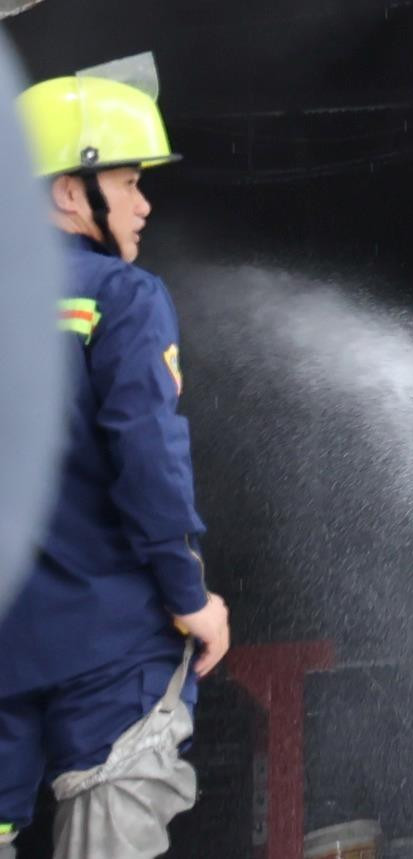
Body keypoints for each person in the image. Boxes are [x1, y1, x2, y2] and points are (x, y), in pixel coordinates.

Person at [0, 63, 224, 859]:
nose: (144, 202)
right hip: (108, 648)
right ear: (68, 190)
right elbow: (146, 456)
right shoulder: (120, 297)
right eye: (127, 180)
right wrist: (189, 592)